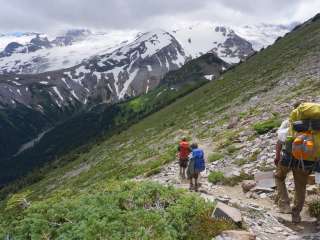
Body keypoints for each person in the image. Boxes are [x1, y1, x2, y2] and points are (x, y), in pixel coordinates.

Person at [274, 102, 317, 223]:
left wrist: (277, 156)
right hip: (306, 160)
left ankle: (285, 204)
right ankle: (296, 213)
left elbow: (279, 141)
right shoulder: (315, 124)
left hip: (287, 157)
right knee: (300, 187)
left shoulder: (289, 121)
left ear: (295, 110)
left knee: (279, 177)